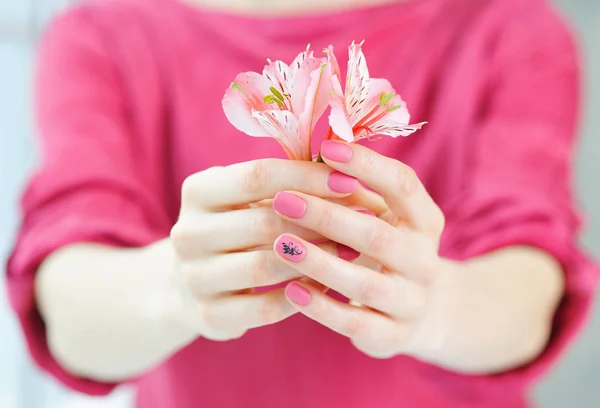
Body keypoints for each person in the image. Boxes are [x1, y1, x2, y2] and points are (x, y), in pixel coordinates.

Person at [5, 0, 598, 406]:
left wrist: (434, 304)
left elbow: (531, 294)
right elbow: (68, 314)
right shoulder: (102, 30)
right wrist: (174, 286)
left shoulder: (512, 27)